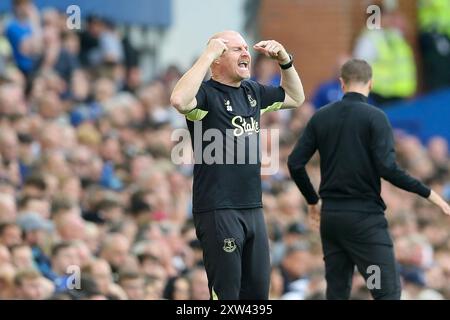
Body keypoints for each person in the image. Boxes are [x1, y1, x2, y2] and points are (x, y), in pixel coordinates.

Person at [287, 59, 450, 300]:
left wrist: (312, 201)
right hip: (364, 219)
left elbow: (294, 163)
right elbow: (388, 168)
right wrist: (429, 193)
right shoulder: (376, 117)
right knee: (386, 292)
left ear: (341, 83)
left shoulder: (321, 117)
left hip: (331, 219)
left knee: (337, 292)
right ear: (370, 84)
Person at [170, 30, 305, 300]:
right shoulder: (206, 96)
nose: (246, 53)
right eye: (235, 49)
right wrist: (207, 54)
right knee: (227, 297)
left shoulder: (252, 91)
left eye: (246, 48)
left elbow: (295, 97)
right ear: (217, 59)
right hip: (219, 210)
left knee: (257, 296)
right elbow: (179, 100)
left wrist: (285, 61)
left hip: (253, 208)